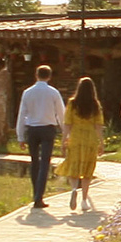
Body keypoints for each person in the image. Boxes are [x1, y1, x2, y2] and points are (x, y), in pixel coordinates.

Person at [16, 64, 64, 211]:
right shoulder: (53, 92)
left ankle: (35, 193)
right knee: (45, 163)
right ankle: (39, 196)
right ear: (49, 76)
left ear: (36, 75)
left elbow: (22, 114)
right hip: (48, 129)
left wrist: (20, 135)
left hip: (32, 129)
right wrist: (65, 132)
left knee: (34, 162)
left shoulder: (27, 92)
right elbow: (61, 113)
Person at [60, 76, 105, 211]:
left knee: (73, 166)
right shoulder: (95, 105)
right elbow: (98, 125)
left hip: (76, 138)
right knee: (87, 170)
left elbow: (67, 123)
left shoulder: (72, 103)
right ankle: (84, 200)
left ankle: (74, 189)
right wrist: (101, 142)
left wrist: (64, 140)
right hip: (90, 139)